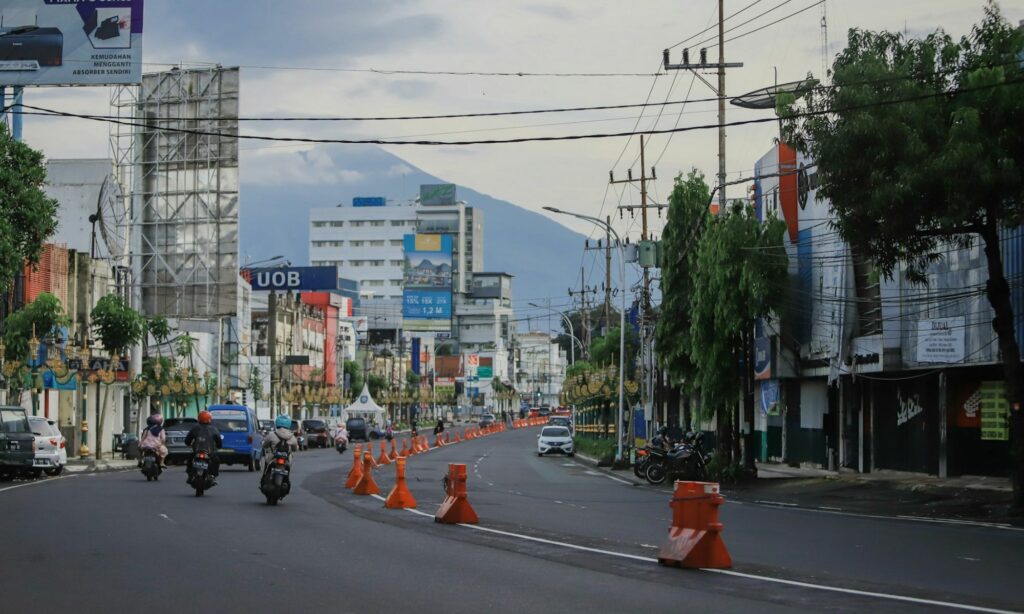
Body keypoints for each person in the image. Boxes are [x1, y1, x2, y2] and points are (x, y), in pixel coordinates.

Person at [184, 410, 222, 479]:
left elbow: (187, 441)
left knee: (190, 459)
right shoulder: (214, 429)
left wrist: (189, 444)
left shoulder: (195, 428)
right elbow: (219, 442)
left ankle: (190, 474)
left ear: (199, 418)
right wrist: (219, 446)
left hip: (197, 451)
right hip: (210, 453)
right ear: (210, 419)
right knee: (216, 460)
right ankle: (213, 475)